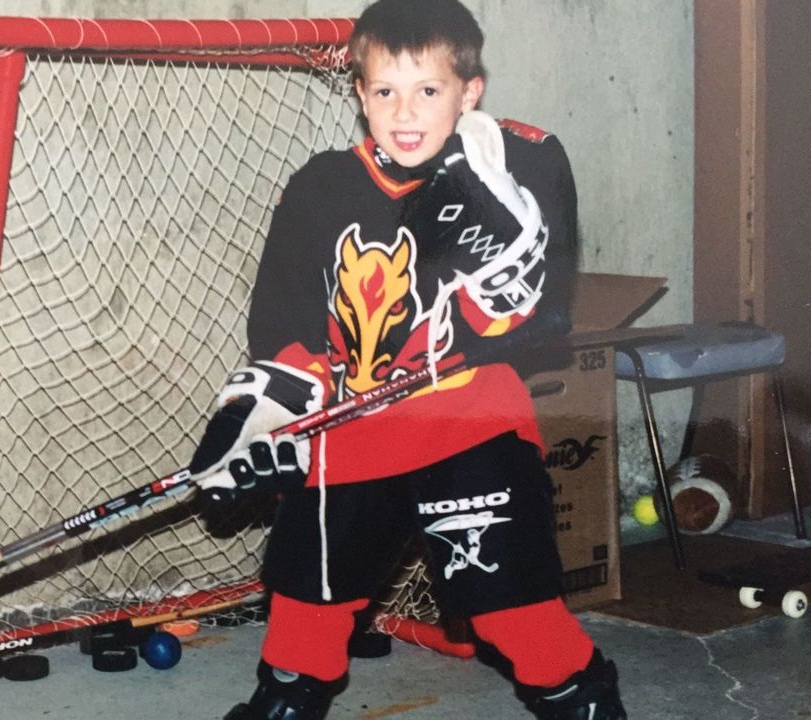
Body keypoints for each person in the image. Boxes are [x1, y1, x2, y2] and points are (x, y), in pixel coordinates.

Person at [187, 1, 628, 718]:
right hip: (351, 432)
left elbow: (542, 313)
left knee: (512, 612)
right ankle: (289, 700)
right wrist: (261, 415)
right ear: (359, 94)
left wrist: (505, 276)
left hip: (469, 422)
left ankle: (583, 698)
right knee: (305, 614)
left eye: (428, 89)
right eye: (384, 90)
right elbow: (282, 324)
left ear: (470, 90)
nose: (405, 110)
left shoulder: (512, 166)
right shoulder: (320, 187)